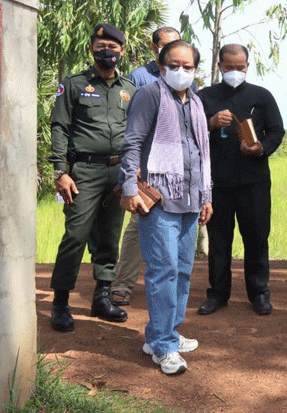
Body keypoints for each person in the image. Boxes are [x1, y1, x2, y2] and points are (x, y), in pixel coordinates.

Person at [119, 39, 213, 375]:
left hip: (190, 199)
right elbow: (132, 142)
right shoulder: (150, 95)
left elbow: (200, 153)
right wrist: (129, 187)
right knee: (163, 271)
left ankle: (164, 332)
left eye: (188, 66)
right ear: (160, 66)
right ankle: (163, 345)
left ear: (195, 69)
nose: (181, 71)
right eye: (174, 65)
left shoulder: (196, 102)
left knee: (183, 270)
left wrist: (206, 196)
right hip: (159, 200)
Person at [49, 23, 136, 332]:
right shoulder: (74, 84)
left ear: (121, 51)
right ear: (91, 49)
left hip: (118, 171)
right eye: (101, 47)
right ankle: (60, 302)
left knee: (110, 236)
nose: (107, 52)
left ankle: (102, 298)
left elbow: (136, 134)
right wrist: (60, 171)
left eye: (112, 47)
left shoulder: (130, 90)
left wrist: (132, 173)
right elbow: (59, 127)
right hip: (83, 172)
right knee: (75, 235)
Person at [197, 44, 285, 315]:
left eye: (240, 67)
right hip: (217, 183)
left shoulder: (262, 96)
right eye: (229, 67)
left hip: (254, 182)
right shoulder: (204, 97)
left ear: (247, 66)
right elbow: (189, 131)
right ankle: (217, 293)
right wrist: (211, 123)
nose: (235, 72)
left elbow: (277, 131)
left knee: (256, 239)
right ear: (219, 67)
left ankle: (259, 293)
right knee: (219, 242)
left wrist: (261, 148)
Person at [111, 26, 182, 307]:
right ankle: (123, 284)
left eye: (177, 44)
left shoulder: (186, 80)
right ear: (155, 49)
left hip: (177, 168)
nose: (172, 50)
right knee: (137, 225)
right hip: (147, 168)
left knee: (179, 227)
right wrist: (134, 166)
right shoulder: (138, 78)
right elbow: (128, 126)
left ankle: (172, 288)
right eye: (166, 45)